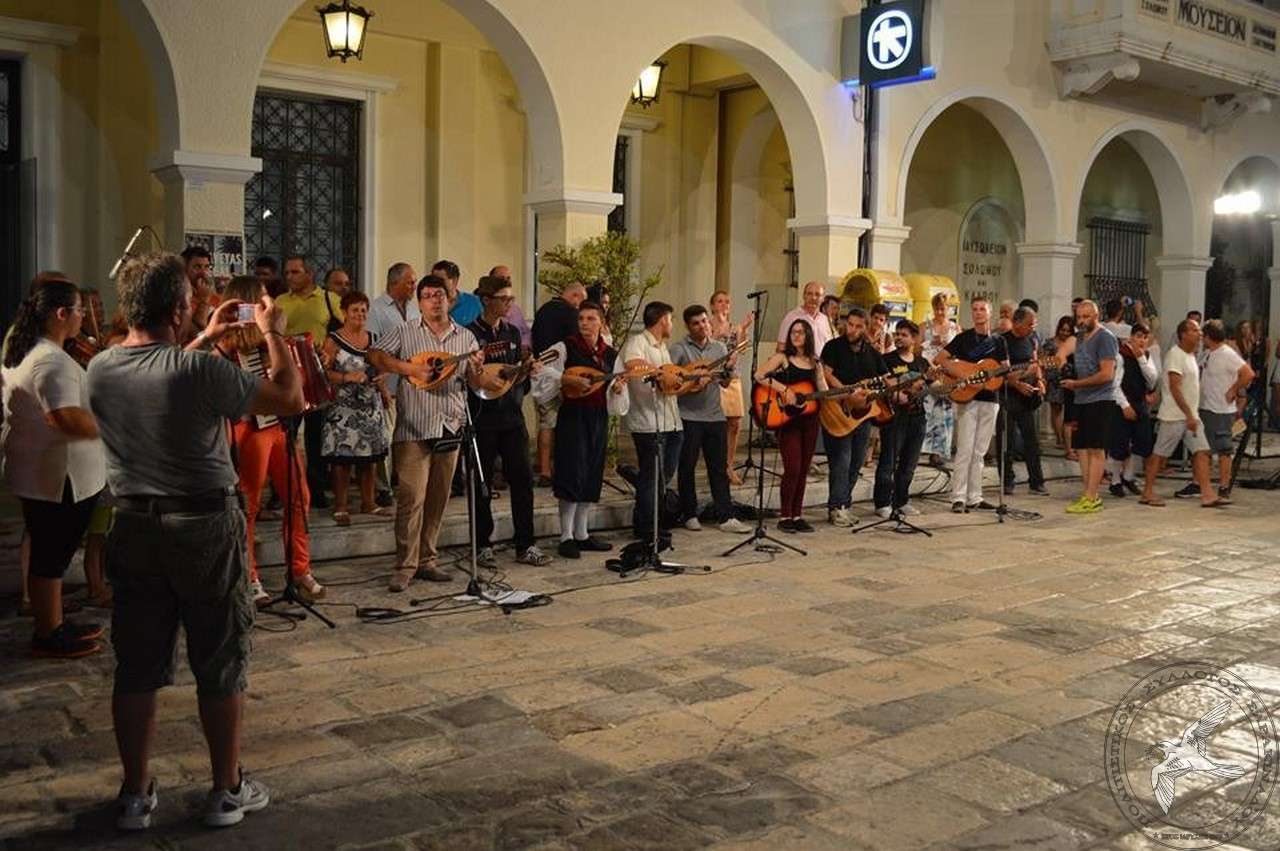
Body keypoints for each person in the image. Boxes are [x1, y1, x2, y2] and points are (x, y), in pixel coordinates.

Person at [88, 251, 304, 829]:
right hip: (203, 523)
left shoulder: (101, 367)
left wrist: (206, 337)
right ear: (178, 309)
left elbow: (157, 370)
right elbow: (289, 398)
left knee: (136, 664)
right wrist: (272, 333)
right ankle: (226, 790)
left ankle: (135, 795)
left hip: (133, 523)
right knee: (220, 657)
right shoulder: (197, 372)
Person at [2, 280, 106, 658]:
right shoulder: (50, 360)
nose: (83, 318)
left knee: (51, 554)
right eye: (79, 310)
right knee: (52, 556)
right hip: (59, 476)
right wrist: (112, 427)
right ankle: (48, 633)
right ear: (61, 314)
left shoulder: (31, 350)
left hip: (45, 472)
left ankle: (54, 622)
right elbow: (64, 417)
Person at [368, 275, 488, 592]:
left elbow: (476, 384)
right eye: (427, 295)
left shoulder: (466, 338)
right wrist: (408, 369)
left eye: (440, 295)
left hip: (450, 424)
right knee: (411, 498)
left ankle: (427, 560)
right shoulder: (405, 332)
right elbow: (375, 355)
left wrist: (477, 368)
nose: (435, 300)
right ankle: (405, 565)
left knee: (437, 498)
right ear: (419, 302)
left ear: (449, 299)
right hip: (414, 426)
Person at [212, 276, 323, 605]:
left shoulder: (271, 338)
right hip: (247, 430)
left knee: (299, 497)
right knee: (248, 505)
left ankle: (300, 569)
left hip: (278, 428)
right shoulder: (225, 344)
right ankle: (250, 577)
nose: (268, 306)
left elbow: (289, 386)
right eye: (261, 300)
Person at [466, 276, 553, 567]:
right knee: (481, 484)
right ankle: (482, 545)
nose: (509, 303)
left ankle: (525, 544)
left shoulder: (513, 333)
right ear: (486, 300)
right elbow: (471, 379)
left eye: (511, 298)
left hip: (512, 417)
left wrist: (526, 370)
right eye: (504, 298)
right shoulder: (469, 334)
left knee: (523, 481)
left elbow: (514, 378)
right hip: (482, 419)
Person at [530, 301, 627, 557]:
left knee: (591, 474)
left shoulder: (610, 355)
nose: (584, 323)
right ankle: (566, 536)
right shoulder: (565, 347)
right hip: (573, 416)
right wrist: (565, 379)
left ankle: (582, 533)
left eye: (591, 319)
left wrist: (617, 389)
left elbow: (616, 386)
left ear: (602, 323)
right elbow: (540, 371)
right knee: (572, 472)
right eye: (581, 318)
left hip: (598, 418)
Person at [670, 304, 750, 535]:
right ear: (688, 326)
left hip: (715, 415)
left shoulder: (719, 348)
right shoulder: (679, 349)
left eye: (704, 321)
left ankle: (726, 516)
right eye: (696, 323)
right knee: (687, 467)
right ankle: (689, 514)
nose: (702, 326)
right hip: (688, 416)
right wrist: (695, 382)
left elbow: (725, 382)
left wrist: (728, 369)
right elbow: (672, 382)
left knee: (719, 467)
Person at [1140, 318, 1230, 509]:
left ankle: (1207, 493)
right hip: (1174, 416)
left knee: (1202, 452)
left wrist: (1192, 415)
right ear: (1183, 334)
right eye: (1195, 330)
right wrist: (1188, 413)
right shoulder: (1175, 355)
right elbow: (1175, 387)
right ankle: (1147, 492)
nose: (1200, 334)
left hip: (1191, 417)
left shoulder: (1191, 356)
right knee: (1160, 455)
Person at [277, 254, 344, 509]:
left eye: (295, 272)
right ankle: (282, 490)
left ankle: (316, 489)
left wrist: (329, 352)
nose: (289, 277)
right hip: (288, 376)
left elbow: (344, 332)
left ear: (309, 274)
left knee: (316, 437)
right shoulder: (280, 301)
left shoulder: (329, 299)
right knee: (286, 434)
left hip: (317, 374)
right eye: (287, 272)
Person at [321, 290, 392, 525]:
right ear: (344, 312)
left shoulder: (374, 338)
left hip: (370, 407)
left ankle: (369, 502)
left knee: (369, 457)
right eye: (355, 310)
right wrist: (347, 377)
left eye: (363, 310)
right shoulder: (333, 340)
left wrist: (382, 383)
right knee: (342, 459)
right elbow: (323, 373)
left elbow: (384, 366)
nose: (360, 314)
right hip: (343, 408)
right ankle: (341, 506)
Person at [934, 296, 1007, 513]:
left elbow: (1004, 368)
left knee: (979, 451)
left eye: (982, 309)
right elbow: (941, 359)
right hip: (968, 399)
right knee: (965, 449)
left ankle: (975, 496)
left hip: (990, 400)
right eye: (975, 309)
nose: (978, 313)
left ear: (990, 312)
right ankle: (958, 497)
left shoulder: (999, 341)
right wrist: (964, 374)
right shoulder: (963, 338)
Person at [755, 319, 829, 532]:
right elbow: (759, 375)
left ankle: (797, 515)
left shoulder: (815, 362)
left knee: (804, 469)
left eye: (801, 332)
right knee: (793, 468)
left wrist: (842, 392)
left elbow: (823, 389)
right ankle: (785, 515)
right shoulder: (783, 358)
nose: (796, 336)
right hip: (788, 421)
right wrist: (784, 390)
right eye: (793, 332)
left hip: (810, 420)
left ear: (808, 336)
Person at [620, 301, 684, 543]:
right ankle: (646, 526)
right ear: (663, 320)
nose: (672, 324)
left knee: (662, 476)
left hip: (672, 421)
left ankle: (654, 519)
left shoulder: (663, 347)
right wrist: (660, 373)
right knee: (652, 477)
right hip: (648, 422)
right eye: (671, 319)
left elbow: (670, 382)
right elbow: (633, 364)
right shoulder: (638, 342)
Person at [1174, 320, 1253, 499]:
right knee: (1201, 448)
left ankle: (1224, 486)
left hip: (1220, 409)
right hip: (1205, 406)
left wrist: (1233, 389)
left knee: (1223, 449)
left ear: (1209, 337)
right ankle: (1198, 482)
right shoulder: (1208, 353)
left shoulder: (1227, 354)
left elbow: (1248, 373)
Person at [819, 307, 884, 527]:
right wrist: (847, 392)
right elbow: (826, 374)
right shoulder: (833, 346)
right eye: (850, 324)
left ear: (865, 328)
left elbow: (884, 378)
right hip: (836, 410)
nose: (852, 330)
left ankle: (844, 505)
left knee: (856, 462)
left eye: (857, 326)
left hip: (861, 416)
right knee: (841, 461)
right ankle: (836, 507)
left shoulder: (871, 352)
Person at [1058, 300, 1118, 514]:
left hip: (1100, 399)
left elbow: (1106, 374)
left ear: (1096, 316)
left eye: (1086, 317)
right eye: (1079, 317)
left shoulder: (1105, 338)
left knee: (1095, 448)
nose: (1082, 321)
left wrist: (1077, 384)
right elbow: (1061, 352)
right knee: (1082, 448)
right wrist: (1062, 365)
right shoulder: (1080, 338)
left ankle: (1092, 496)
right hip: (1081, 399)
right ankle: (1088, 494)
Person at [531, 281, 587, 486]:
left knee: (545, 423)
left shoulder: (543, 310)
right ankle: (554, 470)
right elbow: (577, 344)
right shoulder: (570, 314)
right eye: (581, 300)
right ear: (575, 296)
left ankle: (543, 467)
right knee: (557, 424)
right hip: (561, 376)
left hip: (540, 374)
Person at [873, 320, 928, 518]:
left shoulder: (922, 363)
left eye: (904, 335)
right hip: (894, 417)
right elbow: (884, 385)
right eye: (897, 334)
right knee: (888, 461)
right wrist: (899, 393)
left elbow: (932, 385)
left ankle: (901, 500)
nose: (898, 338)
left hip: (918, 417)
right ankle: (882, 503)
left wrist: (948, 386)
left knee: (909, 463)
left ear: (914, 339)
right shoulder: (886, 360)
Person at [998, 306, 1048, 496]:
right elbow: (1000, 372)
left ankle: (1037, 481)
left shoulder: (1031, 339)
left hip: (1027, 398)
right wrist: (1017, 384)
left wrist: (1040, 381)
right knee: (1007, 442)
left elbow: (1035, 363)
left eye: (1034, 324)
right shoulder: (1002, 341)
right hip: (1007, 397)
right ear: (1017, 323)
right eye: (1029, 324)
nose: (1032, 328)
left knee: (1032, 441)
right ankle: (1007, 481)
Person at [1106, 322, 1157, 498]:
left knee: (1142, 442)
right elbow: (1115, 384)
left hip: (1140, 403)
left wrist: (1141, 359)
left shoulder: (1146, 356)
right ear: (1131, 337)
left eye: (1145, 337)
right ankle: (1115, 481)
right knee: (1119, 444)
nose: (1142, 341)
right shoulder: (1121, 355)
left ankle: (1128, 476)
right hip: (1121, 404)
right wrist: (1125, 405)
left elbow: (1152, 379)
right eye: (1138, 336)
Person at [708, 290, 753, 485]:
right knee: (714, 425)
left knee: (734, 423)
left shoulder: (735, 327)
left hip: (732, 377)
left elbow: (741, 349)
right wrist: (718, 330)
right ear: (712, 305)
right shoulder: (706, 325)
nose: (724, 304)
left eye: (727, 301)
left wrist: (744, 328)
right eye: (719, 301)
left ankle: (729, 466)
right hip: (712, 378)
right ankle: (714, 466)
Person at [921, 291, 959, 468]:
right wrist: (931, 345)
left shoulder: (955, 329)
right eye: (937, 309)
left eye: (943, 309)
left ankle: (940, 452)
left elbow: (960, 352)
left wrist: (946, 347)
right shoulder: (925, 326)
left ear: (948, 309)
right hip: (930, 370)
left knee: (945, 412)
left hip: (947, 372)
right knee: (929, 410)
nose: (940, 312)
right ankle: (925, 449)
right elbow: (917, 349)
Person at [776, 281, 833, 357]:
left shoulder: (825, 320)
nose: (813, 298)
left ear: (823, 299)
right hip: (797, 363)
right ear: (804, 296)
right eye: (809, 294)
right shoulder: (791, 317)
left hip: (820, 363)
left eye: (817, 294)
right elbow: (781, 347)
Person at [1044, 315, 1075, 453]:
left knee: (1068, 412)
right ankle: (1059, 438)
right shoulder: (1050, 343)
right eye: (1063, 330)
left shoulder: (1074, 342)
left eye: (1068, 331)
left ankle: (1067, 439)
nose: (1065, 333)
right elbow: (1044, 361)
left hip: (1070, 380)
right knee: (1056, 409)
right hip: (1054, 380)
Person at [489, 264, 531, 351]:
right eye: (501, 278)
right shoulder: (484, 307)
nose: (506, 281)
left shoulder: (516, 309)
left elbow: (526, 332)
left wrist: (524, 345)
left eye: (508, 278)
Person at [433, 259, 482, 328]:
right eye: (434, 280)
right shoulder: (429, 302)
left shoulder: (474, 302)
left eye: (441, 280)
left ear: (455, 280)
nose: (436, 284)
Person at [182, 245, 216, 335]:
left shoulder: (215, 298)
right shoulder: (179, 300)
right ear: (184, 268)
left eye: (206, 267)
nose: (203, 272)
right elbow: (197, 331)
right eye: (197, 267)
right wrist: (204, 301)